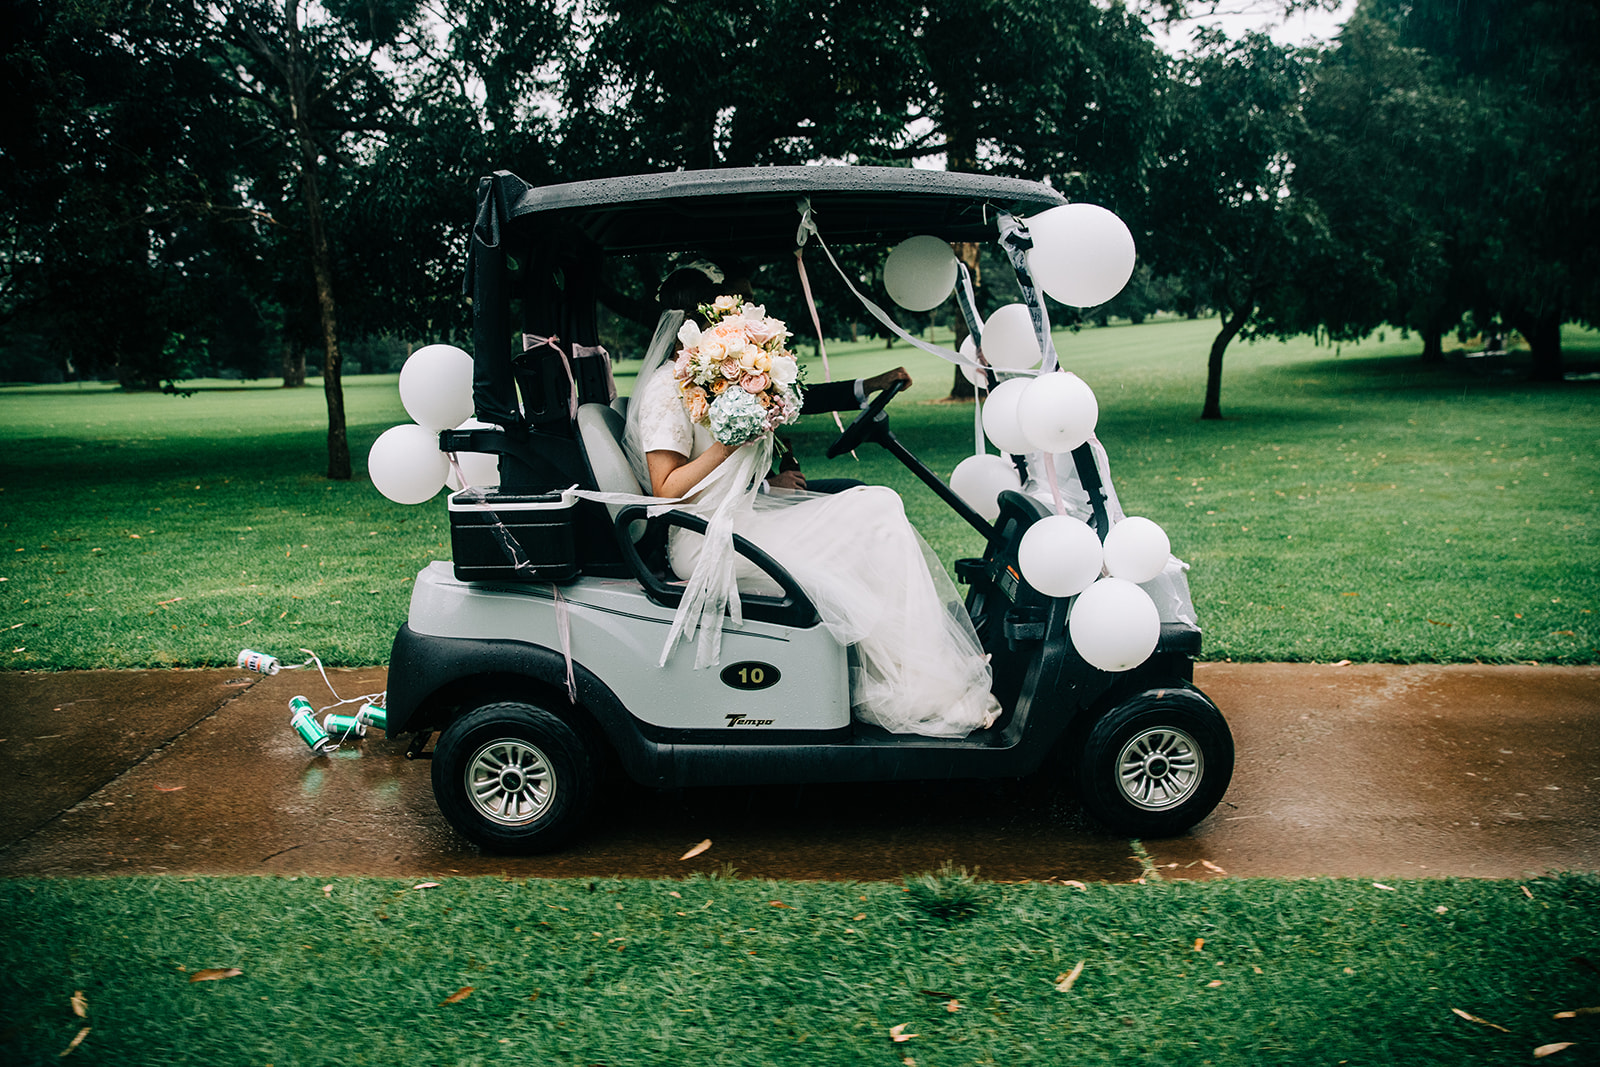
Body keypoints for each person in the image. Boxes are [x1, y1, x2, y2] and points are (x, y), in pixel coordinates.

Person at [622, 303, 1000, 739]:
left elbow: (729, 473)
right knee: (873, 512)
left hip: (738, 521)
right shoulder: (665, 390)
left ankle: (918, 668)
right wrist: (729, 445)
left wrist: (767, 479)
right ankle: (921, 678)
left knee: (876, 506)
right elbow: (666, 490)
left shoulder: (710, 381)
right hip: (705, 541)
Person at [656, 265, 911, 494]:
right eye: (739, 302)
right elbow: (672, 486)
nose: (746, 310)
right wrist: (766, 487)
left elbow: (800, 398)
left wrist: (871, 384)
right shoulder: (676, 383)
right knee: (867, 498)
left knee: (862, 493)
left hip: (759, 490)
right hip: (746, 501)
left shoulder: (717, 371)